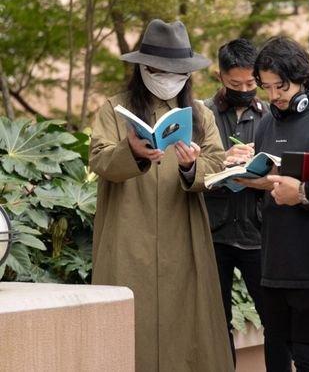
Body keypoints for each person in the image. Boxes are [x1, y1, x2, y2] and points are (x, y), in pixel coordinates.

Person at [89, 19, 233, 372]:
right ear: (142, 68)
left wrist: (190, 167)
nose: (168, 77)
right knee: (127, 320)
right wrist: (133, 151)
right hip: (127, 231)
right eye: (159, 69)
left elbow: (218, 164)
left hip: (183, 233)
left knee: (186, 321)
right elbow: (99, 159)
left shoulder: (200, 114)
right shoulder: (115, 109)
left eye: (177, 71)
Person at [237, 36, 309, 372]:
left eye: (281, 87)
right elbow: (272, 174)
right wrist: (254, 180)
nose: (274, 96)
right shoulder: (267, 121)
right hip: (275, 260)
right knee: (277, 352)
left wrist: (303, 191)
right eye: (268, 87)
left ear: (303, 78)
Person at [202, 38, 270, 367]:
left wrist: (261, 162)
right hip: (214, 232)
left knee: (275, 318)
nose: (244, 89)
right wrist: (220, 160)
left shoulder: (272, 114)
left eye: (250, 82)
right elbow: (186, 169)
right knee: (217, 322)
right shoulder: (202, 114)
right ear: (220, 77)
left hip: (259, 233)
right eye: (234, 83)